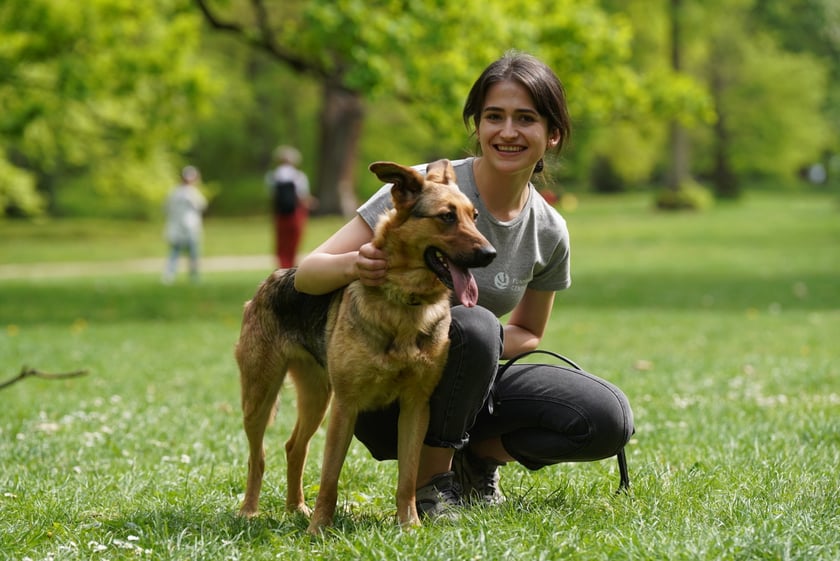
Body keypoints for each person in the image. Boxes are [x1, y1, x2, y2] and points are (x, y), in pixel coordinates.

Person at [294, 51, 634, 518]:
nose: (508, 131)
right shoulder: (426, 192)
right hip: (389, 384)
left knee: (605, 418)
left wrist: (469, 354)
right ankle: (433, 486)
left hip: (471, 374)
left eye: (526, 119)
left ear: (551, 135)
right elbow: (307, 273)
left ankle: (479, 459)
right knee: (472, 324)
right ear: (478, 126)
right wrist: (357, 264)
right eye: (494, 116)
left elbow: (530, 333)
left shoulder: (549, 228)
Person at [266, 145, 314, 268]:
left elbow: (271, 196)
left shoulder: (272, 176)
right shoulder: (298, 176)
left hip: (280, 213)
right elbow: (302, 196)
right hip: (295, 213)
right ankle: (290, 265)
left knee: (281, 241)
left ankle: (282, 265)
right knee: (293, 241)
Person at [162, 165, 208, 284]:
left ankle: (174, 276)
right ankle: (190, 277)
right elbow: (202, 205)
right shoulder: (189, 193)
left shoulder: (175, 192)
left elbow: (166, 208)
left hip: (182, 228)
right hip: (188, 228)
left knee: (181, 253)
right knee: (185, 253)